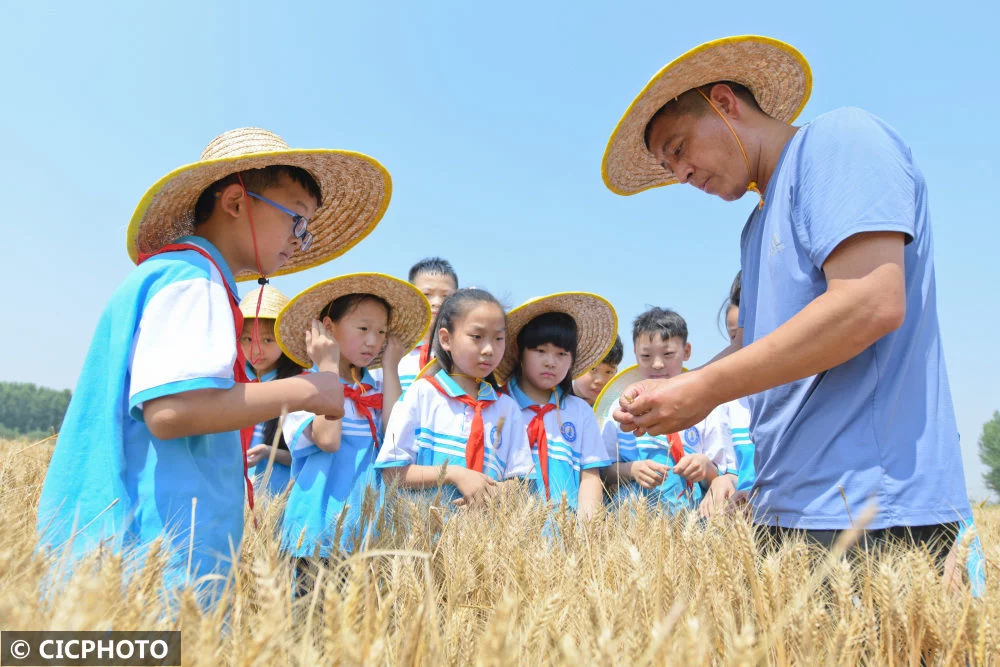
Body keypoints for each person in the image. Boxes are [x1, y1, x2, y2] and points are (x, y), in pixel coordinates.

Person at [603, 36, 971, 554]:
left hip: (870, 502)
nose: (681, 174)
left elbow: (869, 302)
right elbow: (760, 342)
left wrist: (704, 389)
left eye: (679, 148)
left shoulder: (839, 140)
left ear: (725, 103)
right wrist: (677, 390)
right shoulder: (754, 229)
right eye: (668, 168)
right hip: (787, 502)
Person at [36, 127, 390, 602]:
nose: (301, 241)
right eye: (297, 220)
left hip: (144, 553)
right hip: (153, 557)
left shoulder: (184, 276)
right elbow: (173, 411)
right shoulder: (192, 280)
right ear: (236, 203)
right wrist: (308, 389)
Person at [273, 273, 429, 592]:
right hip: (315, 536)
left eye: (381, 332)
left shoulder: (377, 389)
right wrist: (328, 368)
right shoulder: (304, 387)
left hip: (369, 534)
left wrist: (389, 368)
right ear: (328, 328)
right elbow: (328, 440)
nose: (373, 341)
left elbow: (396, 441)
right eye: (363, 329)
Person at [375, 289, 534, 506]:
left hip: (484, 537)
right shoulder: (421, 394)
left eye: (499, 338)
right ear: (446, 339)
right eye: (477, 337)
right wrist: (454, 474)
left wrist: (498, 492)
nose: (489, 349)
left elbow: (522, 482)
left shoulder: (507, 408)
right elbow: (393, 473)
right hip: (423, 535)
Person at [496, 294, 618, 517]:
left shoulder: (579, 412)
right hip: (505, 537)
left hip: (565, 538)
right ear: (517, 349)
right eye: (540, 351)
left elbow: (589, 476)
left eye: (562, 354)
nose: (550, 362)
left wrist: (586, 531)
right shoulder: (496, 406)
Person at [600, 308, 731, 512]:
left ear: (686, 351)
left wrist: (704, 466)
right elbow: (603, 470)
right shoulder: (620, 409)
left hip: (691, 525)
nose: (658, 364)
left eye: (668, 354)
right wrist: (631, 469)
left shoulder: (706, 408)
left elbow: (722, 475)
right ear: (635, 354)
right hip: (630, 523)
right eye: (646, 355)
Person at [238, 285, 306, 497]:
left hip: (276, 495)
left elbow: (307, 456)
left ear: (285, 340)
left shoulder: (299, 386)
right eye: (248, 339)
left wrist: (270, 452)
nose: (256, 349)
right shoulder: (232, 383)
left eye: (267, 340)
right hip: (234, 495)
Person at [397, 257, 459, 395]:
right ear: (409, 296)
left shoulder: (460, 355)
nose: (436, 302)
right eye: (427, 294)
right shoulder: (394, 351)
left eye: (446, 296)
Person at [573, 335, 623, 407]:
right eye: (593, 369)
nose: (600, 381)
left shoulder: (614, 410)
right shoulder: (554, 400)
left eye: (608, 372)